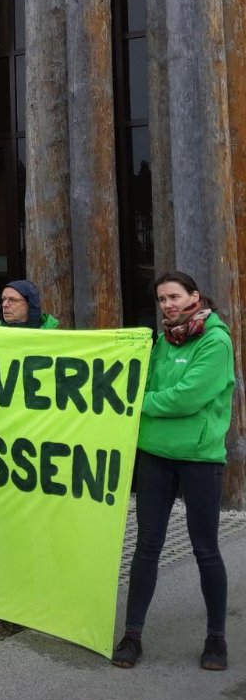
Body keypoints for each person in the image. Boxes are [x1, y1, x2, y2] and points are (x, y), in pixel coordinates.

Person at [112, 271, 235, 672]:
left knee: (204, 548)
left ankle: (216, 638)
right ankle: (132, 635)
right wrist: (140, 393)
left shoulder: (215, 341)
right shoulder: (163, 341)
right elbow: (143, 380)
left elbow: (187, 398)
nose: (167, 304)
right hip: (155, 455)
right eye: (162, 299)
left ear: (195, 297)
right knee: (146, 546)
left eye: (174, 297)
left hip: (199, 458)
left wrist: (136, 401)